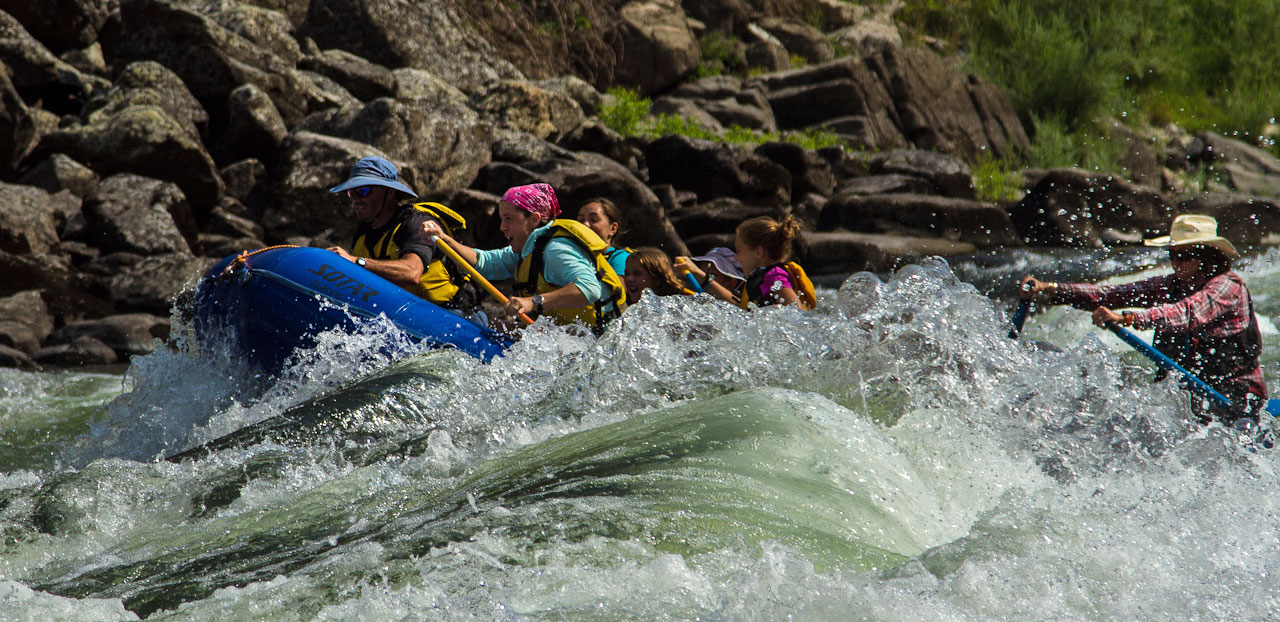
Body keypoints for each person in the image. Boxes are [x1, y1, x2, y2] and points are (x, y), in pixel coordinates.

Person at [1020, 214, 1266, 426]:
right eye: (1173, 254)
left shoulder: (1229, 286)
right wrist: (1048, 288)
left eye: (1184, 255)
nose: (1175, 262)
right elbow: (1109, 294)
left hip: (1236, 399)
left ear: (1207, 256)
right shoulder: (1171, 285)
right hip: (1187, 399)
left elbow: (1186, 313)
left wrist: (1126, 317)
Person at [423, 183, 626, 335]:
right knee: (496, 326)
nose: (502, 227)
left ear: (534, 219)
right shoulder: (527, 251)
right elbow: (483, 262)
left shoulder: (555, 250)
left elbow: (590, 289)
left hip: (603, 339)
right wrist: (445, 240)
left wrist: (532, 302)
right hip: (574, 337)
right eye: (501, 219)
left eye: (509, 219)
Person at [327, 156, 481, 319]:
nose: (356, 199)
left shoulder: (417, 224)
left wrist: (355, 261)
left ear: (390, 192)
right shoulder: (364, 234)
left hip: (455, 315)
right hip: (408, 314)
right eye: (352, 192)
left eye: (364, 191)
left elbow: (412, 273)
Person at [675, 215, 817, 310]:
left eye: (739, 251)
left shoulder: (774, 277)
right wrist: (695, 273)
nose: (736, 258)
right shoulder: (761, 278)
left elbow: (798, 315)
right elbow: (737, 306)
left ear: (758, 253)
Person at [576, 198, 630, 276]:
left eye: (594, 220)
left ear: (613, 228)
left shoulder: (620, 258)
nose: (585, 224)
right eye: (580, 220)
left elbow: (618, 287)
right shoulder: (575, 256)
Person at [623, 247, 695, 302]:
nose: (629, 278)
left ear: (658, 279)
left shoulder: (683, 299)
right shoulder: (625, 303)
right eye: (627, 273)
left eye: (637, 274)